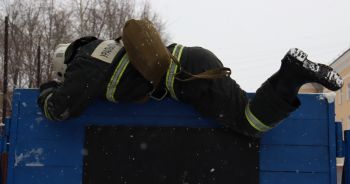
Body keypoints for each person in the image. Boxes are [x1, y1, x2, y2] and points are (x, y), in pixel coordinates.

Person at [38, 31, 343, 138]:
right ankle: (293, 75)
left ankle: (291, 73)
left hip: (187, 77)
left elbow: (59, 109)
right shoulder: (105, 48)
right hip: (192, 61)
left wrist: (47, 91)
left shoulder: (85, 66)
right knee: (247, 114)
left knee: (249, 122)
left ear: (65, 63)